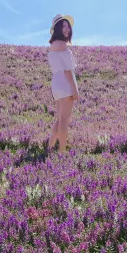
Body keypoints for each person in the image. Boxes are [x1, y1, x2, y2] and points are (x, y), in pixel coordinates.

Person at [45, 13, 79, 152]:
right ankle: (62, 151)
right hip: (65, 84)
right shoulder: (63, 45)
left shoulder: (52, 45)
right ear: (58, 28)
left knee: (59, 119)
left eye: (68, 26)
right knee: (64, 120)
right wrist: (75, 89)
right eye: (63, 26)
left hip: (56, 85)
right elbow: (67, 71)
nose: (67, 29)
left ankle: (50, 147)